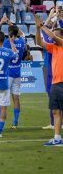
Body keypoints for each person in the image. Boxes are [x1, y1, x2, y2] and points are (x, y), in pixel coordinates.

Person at [0, 17, 26, 130]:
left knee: (1, 99)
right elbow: (22, 33)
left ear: (9, 34)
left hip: (8, 74)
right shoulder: (22, 41)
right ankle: (15, 123)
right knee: (16, 99)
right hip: (17, 74)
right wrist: (11, 24)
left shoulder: (6, 44)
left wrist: (1, 23)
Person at [34, 14, 63, 146]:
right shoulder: (54, 48)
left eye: (56, 34)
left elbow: (51, 36)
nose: (53, 37)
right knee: (56, 111)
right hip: (55, 83)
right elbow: (39, 42)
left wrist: (42, 25)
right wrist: (37, 28)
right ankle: (57, 138)